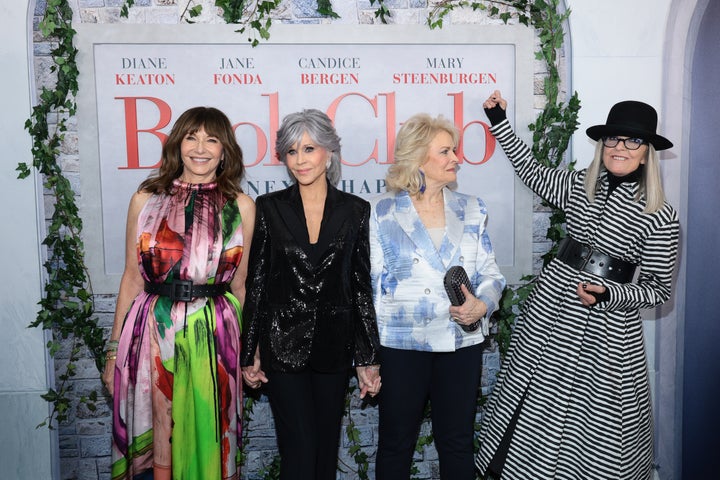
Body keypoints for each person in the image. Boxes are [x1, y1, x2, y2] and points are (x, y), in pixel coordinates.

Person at [476, 91, 679, 480]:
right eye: (612, 139)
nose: (620, 147)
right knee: (530, 401)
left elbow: (658, 290)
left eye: (632, 140)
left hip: (606, 330)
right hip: (551, 308)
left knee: (593, 420)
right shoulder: (579, 186)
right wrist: (500, 121)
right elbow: (531, 171)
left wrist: (611, 294)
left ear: (647, 151)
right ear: (602, 144)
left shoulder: (661, 215)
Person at [101, 106, 255, 480]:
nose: (200, 148)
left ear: (224, 151)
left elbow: (241, 285)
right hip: (151, 332)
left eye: (212, 139)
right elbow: (132, 278)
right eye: (191, 137)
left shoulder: (241, 206)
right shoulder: (146, 199)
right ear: (177, 143)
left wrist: (251, 352)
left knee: (209, 433)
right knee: (155, 433)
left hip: (215, 336)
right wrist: (112, 351)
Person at [240, 109, 381, 480]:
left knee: (323, 454)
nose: (300, 160)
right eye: (291, 151)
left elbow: (361, 287)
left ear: (330, 152)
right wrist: (249, 349)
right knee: (300, 451)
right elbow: (256, 283)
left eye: (309, 148)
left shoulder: (356, 211)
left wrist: (367, 356)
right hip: (281, 345)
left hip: (334, 349)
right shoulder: (269, 208)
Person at [370, 113, 506, 480]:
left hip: (460, 344)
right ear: (418, 159)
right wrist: (369, 356)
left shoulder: (473, 207)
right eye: (445, 151)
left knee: (458, 442)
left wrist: (483, 304)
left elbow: (492, 274)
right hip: (401, 347)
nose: (455, 158)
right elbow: (372, 288)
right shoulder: (381, 211)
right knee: (396, 444)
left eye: (454, 149)